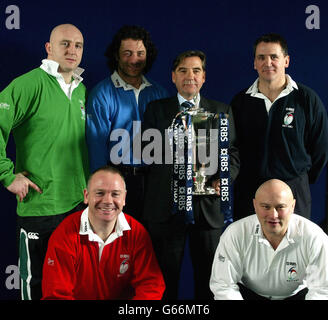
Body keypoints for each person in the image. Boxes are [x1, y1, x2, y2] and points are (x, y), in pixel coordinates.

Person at [0, 24, 89, 300]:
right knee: (36, 284)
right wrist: (7, 174)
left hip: (77, 204)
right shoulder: (28, 84)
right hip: (40, 206)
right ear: (49, 48)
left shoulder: (81, 90)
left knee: (72, 283)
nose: (72, 50)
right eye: (64, 44)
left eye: (78, 45)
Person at [142, 50, 240, 299]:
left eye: (196, 70)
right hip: (167, 208)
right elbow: (146, 153)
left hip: (207, 209)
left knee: (210, 281)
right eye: (183, 70)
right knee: (164, 281)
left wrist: (224, 178)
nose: (190, 76)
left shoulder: (222, 111)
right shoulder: (156, 110)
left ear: (204, 77)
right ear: (173, 76)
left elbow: (233, 154)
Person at [231, 33, 328, 222]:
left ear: (286, 61)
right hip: (250, 194)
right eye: (261, 57)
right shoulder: (240, 102)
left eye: (274, 57)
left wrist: (297, 177)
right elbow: (232, 149)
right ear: (254, 63)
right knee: (251, 250)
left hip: (294, 193)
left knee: (293, 250)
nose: (268, 63)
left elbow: (321, 150)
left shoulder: (306, 99)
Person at [42, 165, 165, 300]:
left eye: (115, 194)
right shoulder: (64, 234)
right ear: (86, 196)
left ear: (124, 198)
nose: (107, 201)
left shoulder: (137, 233)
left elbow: (151, 286)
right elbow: (56, 295)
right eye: (99, 193)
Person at [86, 25, 169, 221]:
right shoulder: (102, 94)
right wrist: (103, 189)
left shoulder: (159, 93)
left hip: (153, 180)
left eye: (140, 53)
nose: (134, 59)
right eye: (127, 53)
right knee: (120, 244)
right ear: (116, 55)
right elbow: (96, 147)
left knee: (152, 243)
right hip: (118, 181)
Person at [210, 179, 328, 300]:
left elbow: (322, 290)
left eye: (280, 207)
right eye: (266, 207)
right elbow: (223, 285)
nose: (273, 215)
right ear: (255, 205)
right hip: (248, 295)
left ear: (292, 206)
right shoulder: (235, 233)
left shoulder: (314, 236)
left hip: (296, 296)